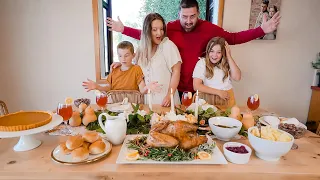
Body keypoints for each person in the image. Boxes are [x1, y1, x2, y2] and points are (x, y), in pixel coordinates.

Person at [107, 0, 280, 97]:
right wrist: (123, 31)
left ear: (199, 14)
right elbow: (148, 34)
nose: (188, 21)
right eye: (184, 17)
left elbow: (234, 38)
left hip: (199, 89)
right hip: (174, 89)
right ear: (178, 15)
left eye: (192, 16)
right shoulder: (170, 28)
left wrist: (261, 30)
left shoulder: (209, 28)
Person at [134, 13, 182, 106]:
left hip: (167, 101)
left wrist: (169, 95)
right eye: (154, 30)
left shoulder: (168, 45)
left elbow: (176, 72)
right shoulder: (140, 51)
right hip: (148, 102)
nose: (159, 33)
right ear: (147, 31)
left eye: (161, 29)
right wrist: (122, 64)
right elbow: (135, 71)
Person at [82, 41, 160, 94]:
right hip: (114, 106)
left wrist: (148, 87)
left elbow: (142, 89)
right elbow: (109, 88)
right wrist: (97, 86)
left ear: (133, 55)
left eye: (126, 55)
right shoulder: (114, 69)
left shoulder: (136, 69)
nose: (123, 59)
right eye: (120, 56)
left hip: (132, 106)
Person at [193, 37, 240, 108]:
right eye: (212, 51)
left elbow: (237, 77)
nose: (214, 55)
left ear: (223, 53)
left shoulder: (226, 63)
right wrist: (219, 92)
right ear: (208, 51)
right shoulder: (202, 63)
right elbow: (196, 86)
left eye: (219, 52)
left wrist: (229, 57)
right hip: (208, 101)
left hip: (227, 100)